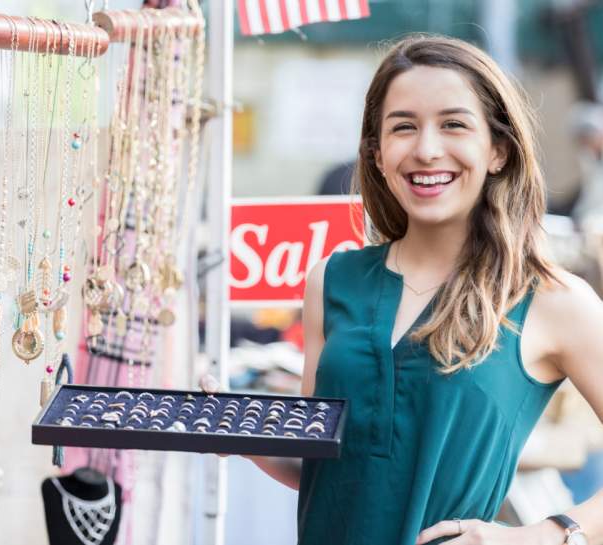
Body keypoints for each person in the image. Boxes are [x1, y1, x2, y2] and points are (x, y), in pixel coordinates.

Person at [203, 34, 603, 544]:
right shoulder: (332, 280)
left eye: (454, 124)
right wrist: (239, 434)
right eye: (403, 127)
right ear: (376, 152)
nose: (427, 149)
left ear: (498, 149)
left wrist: (541, 535)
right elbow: (326, 463)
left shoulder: (547, 298)